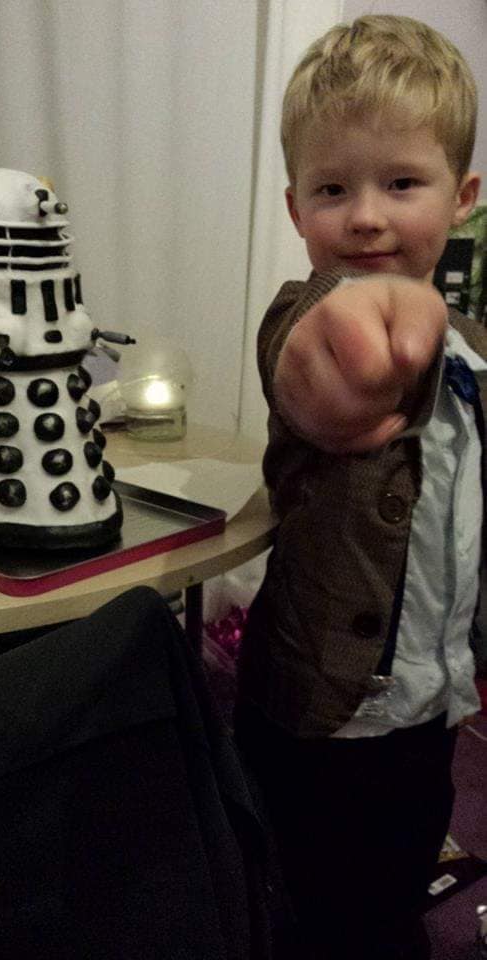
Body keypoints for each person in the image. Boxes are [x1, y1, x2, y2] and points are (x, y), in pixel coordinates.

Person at [234, 15, 487, 960]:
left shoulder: (470, 352)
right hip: (318, 713)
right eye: (334, 188)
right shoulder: (305, 319)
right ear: (297, 210)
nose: (367, 216)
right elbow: (323, 380)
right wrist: (374, 322)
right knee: (310, 903)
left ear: (462, 197)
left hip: (430, 701)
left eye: (402, 183)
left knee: (396, 877)